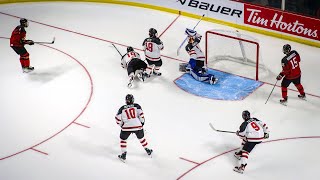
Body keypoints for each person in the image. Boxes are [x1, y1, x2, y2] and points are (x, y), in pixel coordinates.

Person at [115, 94, 153, 162]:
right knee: (142, 139)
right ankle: (148, 150)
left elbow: (117, 118)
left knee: (123, 140)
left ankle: (123, 155)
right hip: (137, 125)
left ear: (126, 101)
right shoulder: (136, 106)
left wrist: (122, 125)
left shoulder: (122, 108)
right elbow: (141, 115)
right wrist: (141, 123)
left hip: (126, 127)